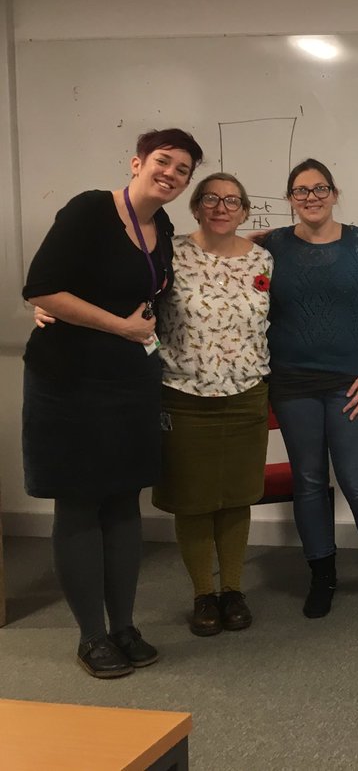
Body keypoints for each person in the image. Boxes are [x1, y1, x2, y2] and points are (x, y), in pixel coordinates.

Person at [22, 128, 202, 678]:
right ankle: (91, 636)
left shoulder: (163, 225)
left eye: (182, 170)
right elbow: (42, 289)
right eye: (162, 161)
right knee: (79, 502)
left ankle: (124, 625)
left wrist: (129, 336)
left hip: (128, 379)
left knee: (125, 502)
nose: (169, 173)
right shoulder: (90, 211)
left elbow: (152, 289)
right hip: (68, 379)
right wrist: (117, 327)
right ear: (137, 162)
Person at [262, 158, 358, 618]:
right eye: (301, 191)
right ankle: (322, 576)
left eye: (320, 188)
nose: (311, 198)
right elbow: (222, 251)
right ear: (289, 199)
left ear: (335, 193)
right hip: (292, 383)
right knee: (307, 483)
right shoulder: (273, 246)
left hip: (353, 384)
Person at [152, 173, 272, 637]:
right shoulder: (171, 255)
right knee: (194, 500)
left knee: (237, 496)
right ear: (196, 207)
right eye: (211, 200)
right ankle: (204, 593)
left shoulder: (263, 258)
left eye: (232, 201)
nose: (222, 208)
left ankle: (233, 591)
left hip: (246, 394)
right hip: (184, 396)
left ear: (244, 210)